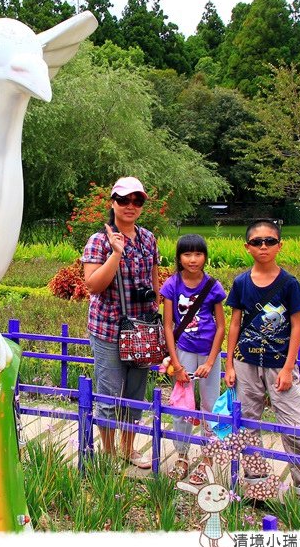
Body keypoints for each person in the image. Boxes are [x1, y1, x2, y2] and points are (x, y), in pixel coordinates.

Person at [224, 219, 300, 503]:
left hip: (280, 363)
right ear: (247, 247)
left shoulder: (289, 283)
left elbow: (297, 326)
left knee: (294, 425)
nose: (263, 246)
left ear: (280, 246)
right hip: (246, 361)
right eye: (257, 242)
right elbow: (234, 324)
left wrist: (289, 368)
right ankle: (257, 486)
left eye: (269, 241)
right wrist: (229, 364)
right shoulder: (241, 283)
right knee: (247, 424)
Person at [81, 176, 161, 469]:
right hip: (109, 329)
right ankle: (109, 451)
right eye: (124, 200)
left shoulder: (148, 238)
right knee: (109, 392)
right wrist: (116, 253)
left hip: (141, 328)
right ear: (112, 202)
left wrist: (156, 311)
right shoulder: (99, 240)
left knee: (135, 391)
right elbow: (93, 286)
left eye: (136, 200)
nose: (130, 206)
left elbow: (153, 279)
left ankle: (128, 449)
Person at [160, 234, 227, 481]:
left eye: (198, 254)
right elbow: (168, 326)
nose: (193, 259)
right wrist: (176, 364)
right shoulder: (172, 285)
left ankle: (207, 458)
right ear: (179, 257)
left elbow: (221, 326)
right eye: (187, 254)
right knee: (181, 406)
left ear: (205, 257)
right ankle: (182, 456)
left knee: (210, 405)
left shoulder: (213, 286)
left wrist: (211, 361)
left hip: (208, 353)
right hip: (184, 352)